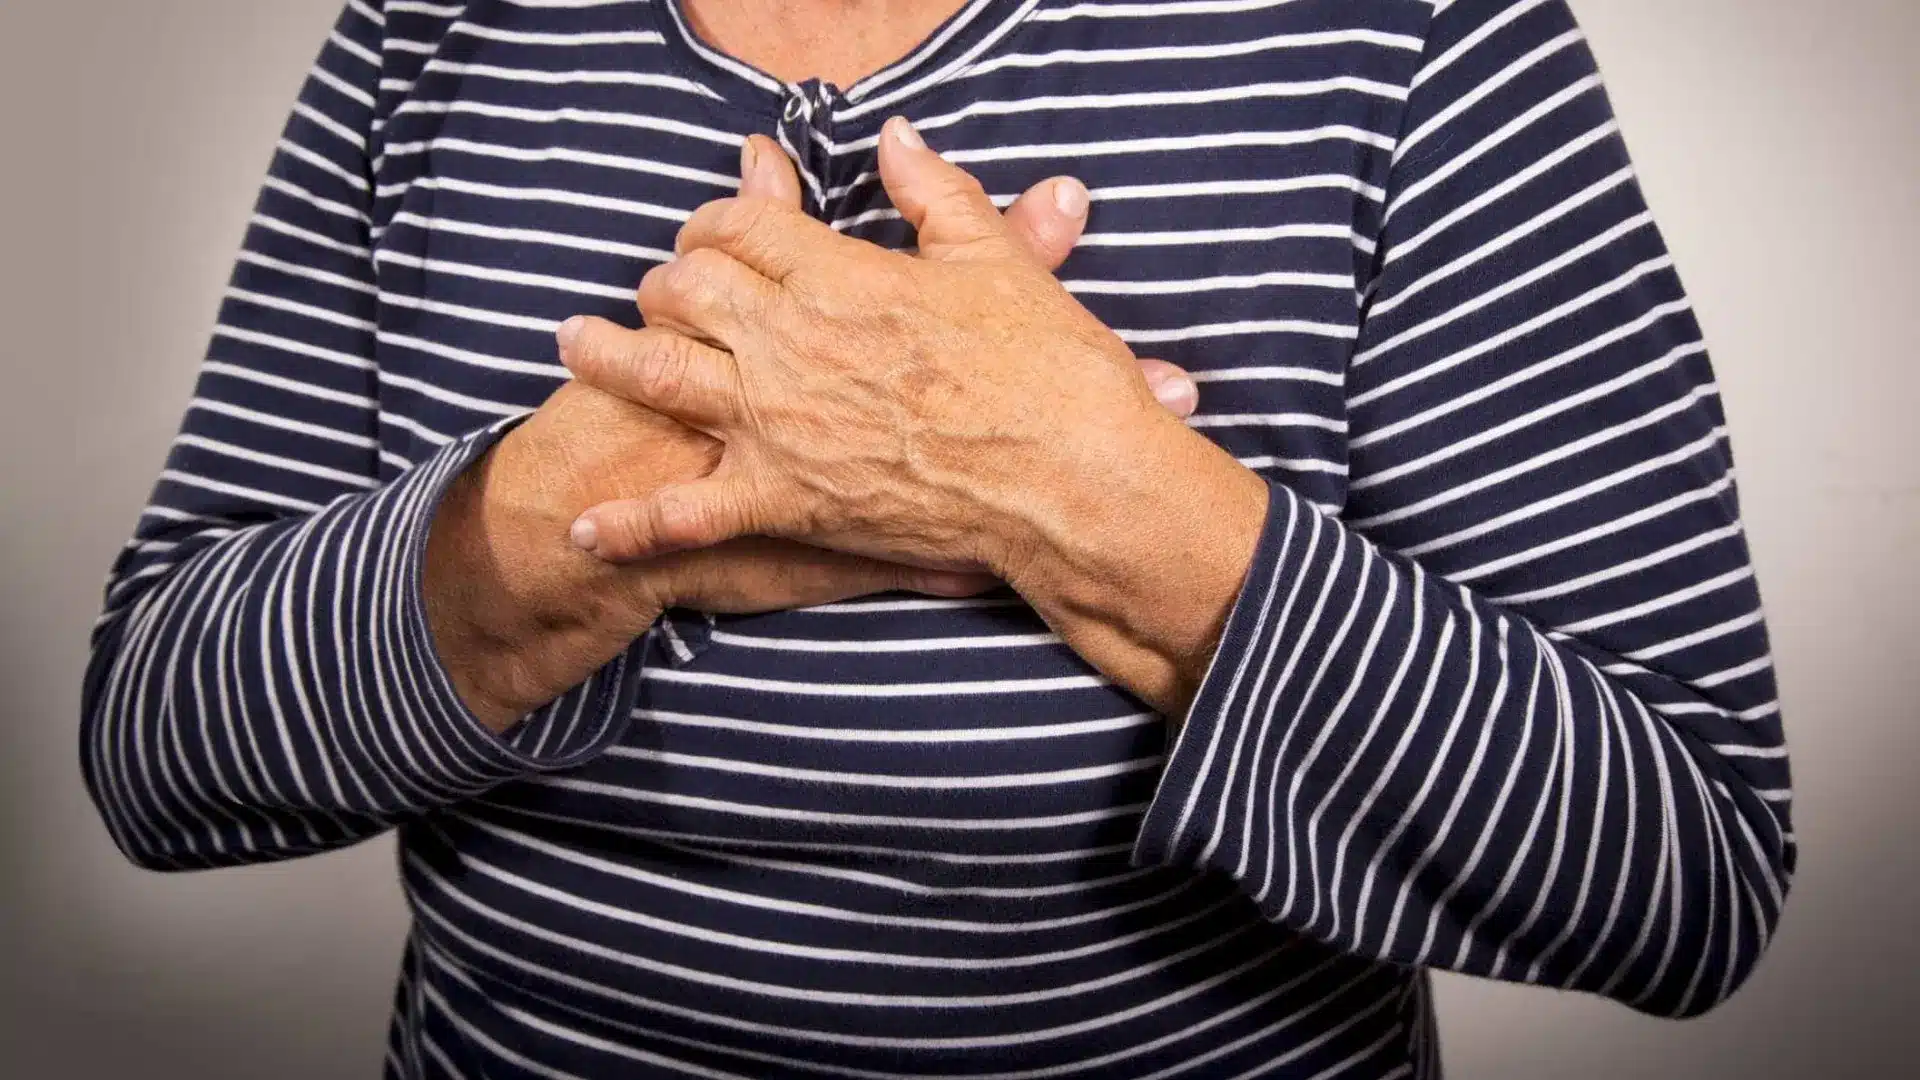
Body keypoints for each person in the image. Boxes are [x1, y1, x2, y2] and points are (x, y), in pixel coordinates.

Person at [80, 0, 1793, 1076]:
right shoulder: (422, 40)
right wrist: (568, 526)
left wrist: (1085, 494)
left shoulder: (1416, 37)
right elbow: (153, 751)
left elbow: (1680, 871)